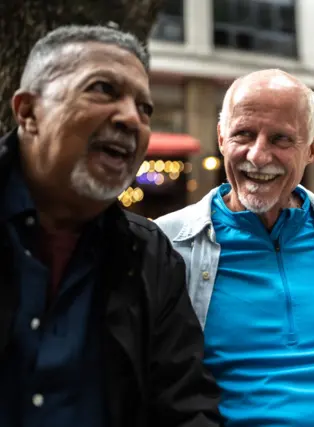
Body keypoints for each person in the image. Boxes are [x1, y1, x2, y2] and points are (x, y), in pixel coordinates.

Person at [0, 25, 221, 427]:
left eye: (145, 108)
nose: (131, 119)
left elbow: (186, 408)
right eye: (103, 89)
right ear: (28, 112)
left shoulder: (152, 255)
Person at [155, 69, 314, 427]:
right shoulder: (168, 243)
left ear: (313, 148)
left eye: (280, 139)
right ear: (220, 138)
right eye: (243, 134)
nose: (258, 156)